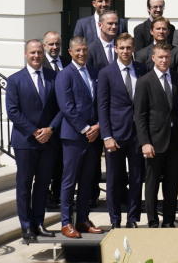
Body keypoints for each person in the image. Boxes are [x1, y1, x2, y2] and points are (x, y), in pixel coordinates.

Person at [6, 39, 61, 244]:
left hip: (48, 141)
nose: (37, 56)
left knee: (43, 184)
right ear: (26, 54)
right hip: (25, 141)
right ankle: (26, 226)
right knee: (24, 184)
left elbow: (60, 108)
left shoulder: (53, 77)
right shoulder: (15, 80)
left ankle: (39, 222)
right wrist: (34, 131)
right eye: (33, 53)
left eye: (39, 52)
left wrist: (50, 129)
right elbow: (13, 111)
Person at [56, 36, 104, 238]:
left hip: (94, 137)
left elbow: (100, 101)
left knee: (87, 181)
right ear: (70, 52)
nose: (82, 53)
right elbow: (66, 107)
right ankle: (66, 222)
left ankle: (82, 219)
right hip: (74, 137)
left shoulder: (94, 72)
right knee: (69, 181)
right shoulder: (64, 75)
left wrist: (98, 127)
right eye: (78, 51)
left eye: (84, 50)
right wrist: (86, 129)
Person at [97, 33, 146, 228]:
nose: (126, 51)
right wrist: (106, 136)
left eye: (128, 47)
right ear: (116, 49)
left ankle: (132, 219)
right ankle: (115, 220)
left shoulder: (142, 70)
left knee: (136, 179)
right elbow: (102, 106)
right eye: (122, 48)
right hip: (115, 136)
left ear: (133, 48)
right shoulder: (106, 73)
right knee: (114, 180)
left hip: (137, 135)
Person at [133, 42, 178, 228]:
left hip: (175, 141)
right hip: (154, 142)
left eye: (167, 57)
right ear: (153, 58)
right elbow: (140, 115)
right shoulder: (144, 81)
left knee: (172, 185)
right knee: (152, 184)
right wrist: (145, 142)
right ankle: (153, 220)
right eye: (160, 57)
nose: (164, 60)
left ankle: (169, 220)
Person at [41, 31, 66, 209]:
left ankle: (58, 195)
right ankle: (45, 196)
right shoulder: (39, 65)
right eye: (50, 44)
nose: (54, 47)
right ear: (44, 46)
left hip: (66, 122)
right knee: (46, 165)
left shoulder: (67, 62)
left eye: (57, 44)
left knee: (62, 163)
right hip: (47, 124)